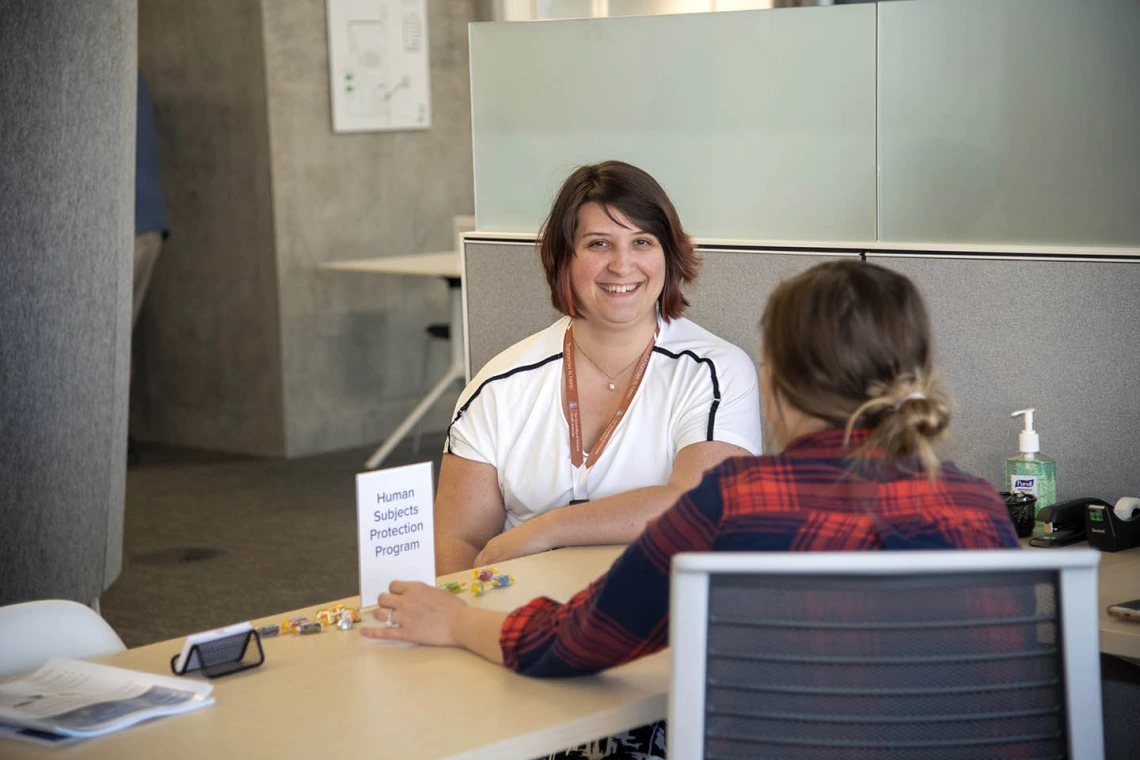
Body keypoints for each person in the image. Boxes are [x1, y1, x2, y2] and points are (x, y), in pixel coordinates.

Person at [365, 258, 1020, 685]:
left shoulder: (736, 504)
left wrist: (453, 620)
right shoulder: (979, 509)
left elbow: (569, 644)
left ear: (777, 383)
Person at [434, 161, 763, 574]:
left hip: (657, 622)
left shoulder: (714, 371)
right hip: (516, 621)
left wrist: (545, 529)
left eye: (642, 242)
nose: (622, 265)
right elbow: (460, 542)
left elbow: (699, 507)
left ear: (669, 255)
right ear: (562, 258)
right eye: (598, 244)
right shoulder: (498, 386)